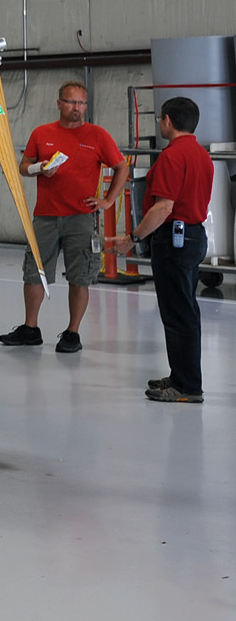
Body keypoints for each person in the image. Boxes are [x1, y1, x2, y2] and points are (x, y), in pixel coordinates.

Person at [0, 82, 128, 353]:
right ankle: (30, 328)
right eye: (71, 102)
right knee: (34, 271)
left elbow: (120, 167)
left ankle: (72, 332)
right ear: (59, 103)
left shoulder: (97, 135)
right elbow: (23, 167)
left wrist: (108, 200)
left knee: (79, 276)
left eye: (81, 103)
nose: (77, 108)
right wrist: (38, 168)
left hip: (81, 217)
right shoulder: (42, 133)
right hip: (46, 216)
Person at [112, 96, 214, 403]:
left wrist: (133, 237)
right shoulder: (201, 155)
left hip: (174, 240)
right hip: (193, 236)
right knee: (181, 311)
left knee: (179, 313)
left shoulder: (172, 156)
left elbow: (163, 208)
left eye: (160, 119)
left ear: (167, 120)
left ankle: (187, 387)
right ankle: (180, 374)